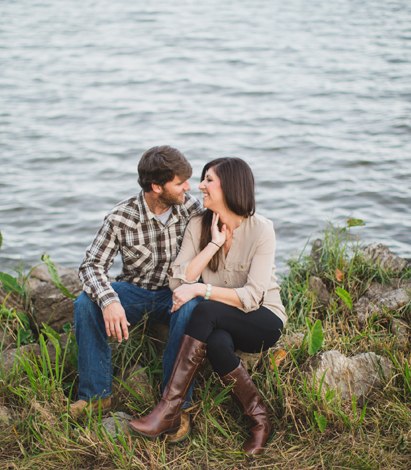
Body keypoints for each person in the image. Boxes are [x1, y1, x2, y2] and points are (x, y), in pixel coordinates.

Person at [128, 157, 286, 456]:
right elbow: (178, 282)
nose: (199, 186)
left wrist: (202, 288)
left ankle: (168, 409)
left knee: (203, 307)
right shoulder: (199, 224)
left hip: (262, 320)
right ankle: (260, 421)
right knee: (215, 342)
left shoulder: (261, 229)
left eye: (208, 180)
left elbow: (253, 297)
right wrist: (213, 244)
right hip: (220, 320)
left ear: (230, 186)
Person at [72, 145, 205, 439]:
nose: (188, 187)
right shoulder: (121, 217)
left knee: (192, 307)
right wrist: (109, 302)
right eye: (180, 182)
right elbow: (91, 266)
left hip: (176, 295)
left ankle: (176, 405)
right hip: (135, 292)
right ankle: (96, 395)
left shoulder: (192, 208)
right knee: (86, 302)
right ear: (157, 187)